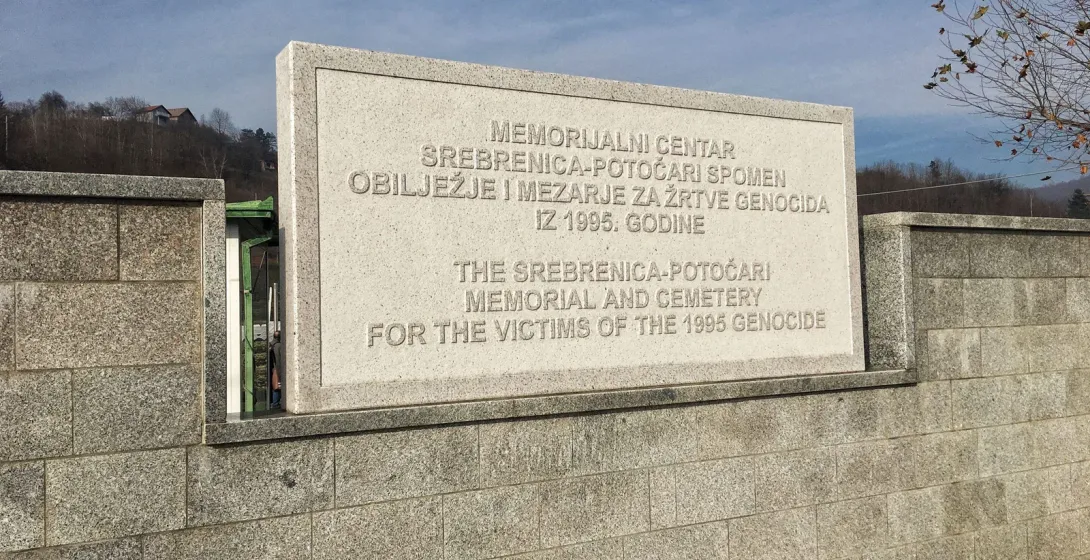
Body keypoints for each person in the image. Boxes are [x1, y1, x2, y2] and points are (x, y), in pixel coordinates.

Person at [270, 330, 284, 407]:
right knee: (278, 385)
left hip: (273, 368)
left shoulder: (271, 345)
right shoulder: (279, 346)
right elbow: (280, 359)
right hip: (277, 368)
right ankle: (276, 403)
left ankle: (275, 402)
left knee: (275, 385)